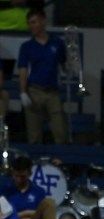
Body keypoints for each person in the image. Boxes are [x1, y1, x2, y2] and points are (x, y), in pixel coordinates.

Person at [16, 9, 67, 145]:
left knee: (60, 132)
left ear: (43, 21)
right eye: (29, 23)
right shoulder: (26, 46)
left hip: (52, 92)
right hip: (34, 91)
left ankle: (59, 163)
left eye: (34, 22)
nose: (31, 26)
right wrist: (22, 92)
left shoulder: (57, 43)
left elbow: (64, 64)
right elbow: (23, 70)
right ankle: (34, 164)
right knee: (34, 135)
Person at [3, 154, 58, 219]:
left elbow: (41, 217)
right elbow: (3, 217)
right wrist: (24, 215)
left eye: (22, 176)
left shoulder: (38, 191)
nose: (19, 180)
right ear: (12, 173)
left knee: (49, 203)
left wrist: (18, 215)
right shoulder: (5, 191)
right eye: (16, 176)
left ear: (30, 173)